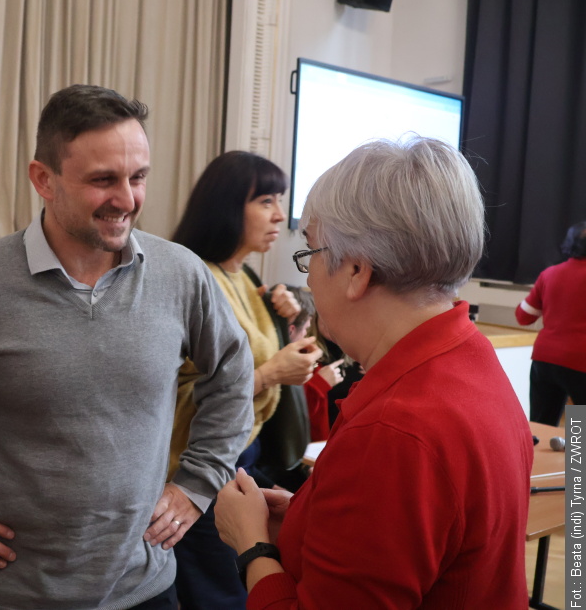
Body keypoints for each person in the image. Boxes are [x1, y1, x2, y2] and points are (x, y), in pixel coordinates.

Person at [0, 84, 256, 609]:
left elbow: (232, 370)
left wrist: (197, 483)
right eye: (103, 180)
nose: (127, 199)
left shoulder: (181, 273)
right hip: (14, 596)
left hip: (147, 589)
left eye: (138, 177)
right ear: (44, 179)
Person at [215, 137, 533, 608]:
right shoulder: (469, 355)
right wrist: (307, 517)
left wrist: (251, 545)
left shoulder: (394, 431)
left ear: (356, 271)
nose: (309, 277)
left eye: (312, 252)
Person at [167, 151, 323, 609]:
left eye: (280, 201)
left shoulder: (244, 275)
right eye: (265, 201)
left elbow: (248, 358)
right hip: (199, 464)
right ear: (227, 206)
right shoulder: (193, 279)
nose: (279, 215)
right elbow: (171, 393)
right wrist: (273, 372)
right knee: (222, 597)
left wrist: (291, 327)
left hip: (243, 456)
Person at [515, 220, 586, 425]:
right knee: (578, 420)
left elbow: (523, 316)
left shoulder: (549, 274)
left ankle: (538, 448)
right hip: (581, 361)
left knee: (541, 423)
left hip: (545, 358)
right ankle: (576, 448)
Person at [285, 287, 345, 442]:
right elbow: (292, 414)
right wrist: (319, 384)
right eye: (326, 314)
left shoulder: (354, 353)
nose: (332, 322)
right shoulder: (303, 354)